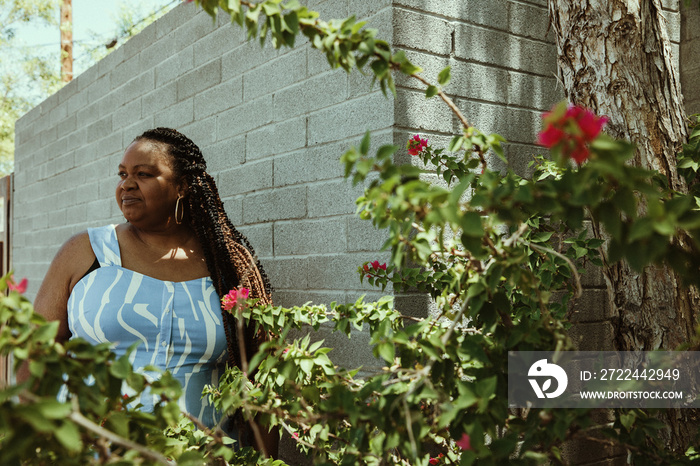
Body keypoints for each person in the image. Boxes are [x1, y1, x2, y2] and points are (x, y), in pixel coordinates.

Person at [31, 127, 277, 455]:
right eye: (122, 174)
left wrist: (264, 460)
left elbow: (262, 377)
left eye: (143, 174)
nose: (126, 184)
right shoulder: (85, 252)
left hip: (199, 455)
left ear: (182, 186)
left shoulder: (227, 265)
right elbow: (34, 352)